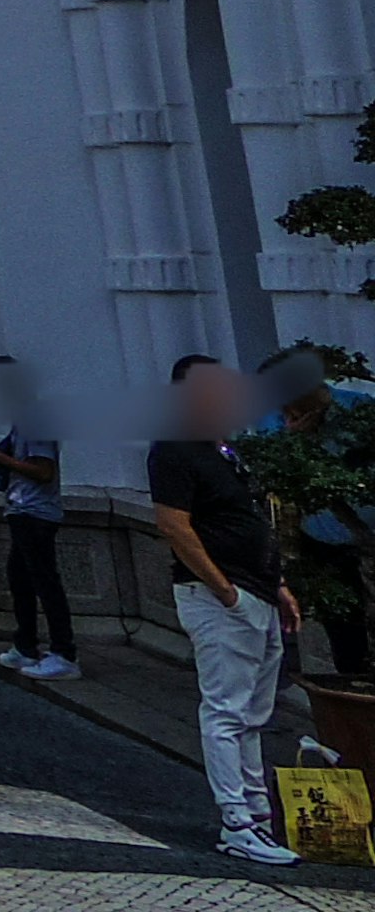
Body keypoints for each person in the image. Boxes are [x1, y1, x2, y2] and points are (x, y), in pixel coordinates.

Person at [149, 352, 302, 867]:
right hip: (221, 598)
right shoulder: (175, 450)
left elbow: (247, 519)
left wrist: (275, 584)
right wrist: (225, 591)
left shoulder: (225, 450)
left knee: (253, 714)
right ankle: (236, 820)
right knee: (226, 710)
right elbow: (174, 525)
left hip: (254, 592)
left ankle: (257, 813)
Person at [0, 355, 72, 682]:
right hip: (22, 510)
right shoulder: (24, 419)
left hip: (35, 512)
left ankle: (64, 652)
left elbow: (43, 472)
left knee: (44, 582)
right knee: (21, 580)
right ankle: (26, 645)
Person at [266, 348, 374, 684]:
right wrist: (294, 439)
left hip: (368, 539)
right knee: (346, 639)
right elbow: (267, 471)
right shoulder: (277, 422)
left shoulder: (359, 412)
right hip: (323, 544)